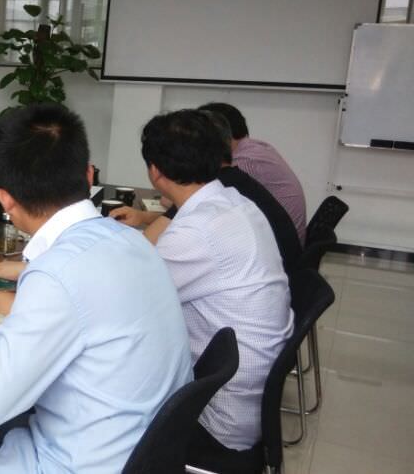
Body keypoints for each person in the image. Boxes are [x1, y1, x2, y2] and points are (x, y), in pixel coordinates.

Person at [0, 104, 193, 473]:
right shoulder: (131, 241)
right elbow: (86, 315)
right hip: (132, 451)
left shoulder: (57, 273)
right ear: (88, 174)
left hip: (75, 462)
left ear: (4, 200)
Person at [140, 109, 293, 470]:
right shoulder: (235, 203)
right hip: (247, 394)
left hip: (217, 417)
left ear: (155, 171)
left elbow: (126, 303)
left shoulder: (196, 232)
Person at [111, 110, 303, 273]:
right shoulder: (234, 198)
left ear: (155, 170)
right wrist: (144, 217)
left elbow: (132, 273)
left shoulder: (192, 231)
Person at [201, 102, 307, 245]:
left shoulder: (245, 161)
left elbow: (203, 198)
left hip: (279, 247)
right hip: (283, 239)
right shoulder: (256, 148)